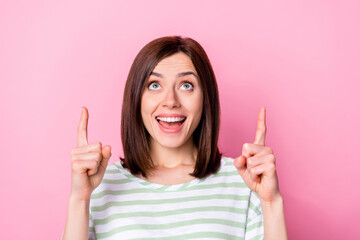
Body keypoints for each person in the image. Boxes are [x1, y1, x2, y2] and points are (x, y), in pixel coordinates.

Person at [63, 36, 288, 240]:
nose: (170, 100)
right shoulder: (100, 184)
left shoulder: (244, 181)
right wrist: (79, 199)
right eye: (154, 85)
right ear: (136, 99)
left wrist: (271, 203)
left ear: (205, 98)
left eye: (186, 85)